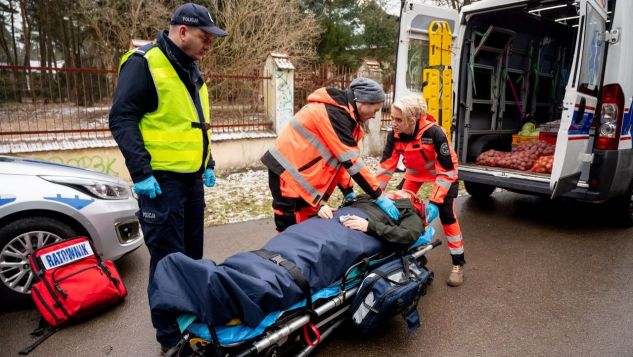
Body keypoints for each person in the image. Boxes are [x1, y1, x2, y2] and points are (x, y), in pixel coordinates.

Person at [108, 3, 228, 353]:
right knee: (166, 261)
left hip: (190, 181)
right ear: (182, 31)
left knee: (191, 256)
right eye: (205, 38)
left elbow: (196, 124)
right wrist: (141, 173)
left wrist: (208, 162)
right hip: (160, 184)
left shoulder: (191, 69)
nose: (209, 45)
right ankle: (169, 336)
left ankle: (190, 320)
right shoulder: (145, 63)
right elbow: (122, 119)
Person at [261, 77, 400, 232]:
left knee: (305, 225)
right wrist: (378, 196)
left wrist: (348, 191)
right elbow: (351, 161)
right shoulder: (334, 114)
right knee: (288, 226)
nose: (374, 116)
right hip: (286, 173)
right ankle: (281, 254)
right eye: (375, 110)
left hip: (300, 175)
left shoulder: (345, 116)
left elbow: (339, 160)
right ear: (362, 102)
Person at [376, 95, 465, 287]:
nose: (393, 124)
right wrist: (375, 195)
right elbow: (385, 168)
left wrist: (434, 201)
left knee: (447, 214)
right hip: (415, 175)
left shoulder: (435, 133)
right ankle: (411, 255)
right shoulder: (395, 134)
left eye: (398, 120)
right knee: (402, 210)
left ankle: (458, 263)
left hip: (445, 175)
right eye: (392, 118)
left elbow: (446, 170)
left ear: (412, 120)